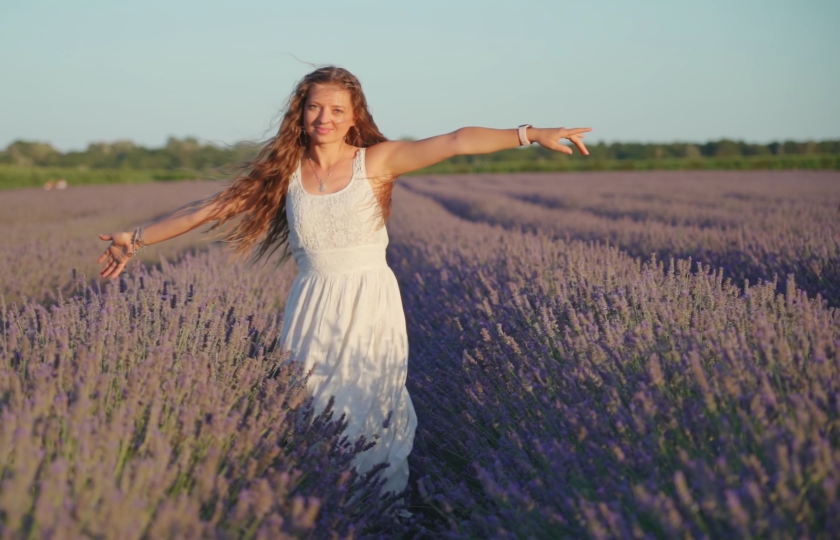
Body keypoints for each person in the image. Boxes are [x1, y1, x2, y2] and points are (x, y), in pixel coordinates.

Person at [98, 66, 591, 495]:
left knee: (370, 407)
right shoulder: (285, 172)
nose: (324, 118)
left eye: (336, 109)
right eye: (315, 108)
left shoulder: (376, 162)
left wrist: (529, 133)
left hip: (370, 303)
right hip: (312, 305)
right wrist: (137, 238)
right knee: (312, 410)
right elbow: (211, 207)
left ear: (355, 116)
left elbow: (457, 140)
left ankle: (381, 510)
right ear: (301, 113)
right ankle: (326, 511)